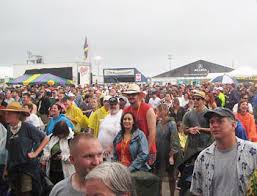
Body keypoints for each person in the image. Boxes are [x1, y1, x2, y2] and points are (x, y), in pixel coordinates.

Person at [190, 107, 257, 196]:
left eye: (220, 121)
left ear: (233, 125)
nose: (214, 125)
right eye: (211, 122)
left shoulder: (252, 152)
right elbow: (197, 191)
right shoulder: (203, 157)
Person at [1, 102, 49, 196]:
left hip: (27, 167)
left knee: (26, 191)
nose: (7, 115)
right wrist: (5, 169)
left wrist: (35, 153)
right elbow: (9, 151)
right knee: (16, 191)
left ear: (18, 115)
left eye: (10, 113)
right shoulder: (9, 129)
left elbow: (45, 138)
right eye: (6, 113)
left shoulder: (27, 127)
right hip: (14, 168)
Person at [123, 83, 157, 165]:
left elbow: (152, 132)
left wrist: (146, 152)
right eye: (129, 95)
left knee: (146, 176)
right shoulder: (126, 110)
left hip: (147, 150)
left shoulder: (148, 109)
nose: (131, 96)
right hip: (132, 150)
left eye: (133, 94)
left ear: (139, 95)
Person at [155, 104, 183, 196]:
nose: (157, 113)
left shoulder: (171, 123)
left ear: (164, 111)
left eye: (158, 111)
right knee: (159, 176)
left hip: (170, 154)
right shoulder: (159, 123)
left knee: (172, 176)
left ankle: (172, 194)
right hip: (160, 153)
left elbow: (174, 139)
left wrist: (172, 154)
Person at [182, 91, 213, 162]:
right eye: (194, 99)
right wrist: (189, 130)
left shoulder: (210, 114)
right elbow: (184, 131)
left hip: (205, 146)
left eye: (198, 99)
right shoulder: (188, 114)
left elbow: (213, 130)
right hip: (191, 147)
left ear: (203, 100)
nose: (195, 101)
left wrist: (200, 129)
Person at [98, 97, 122, 161]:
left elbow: (120, 135)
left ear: (118, 104)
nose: (113, 106)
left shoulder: (120, 116)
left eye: (115, 104)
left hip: (112, 153)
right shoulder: (107, 116)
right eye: (111, 104)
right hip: (103, 153)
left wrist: (110, 147)